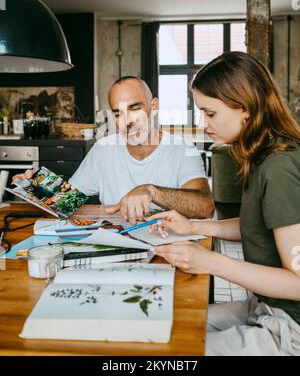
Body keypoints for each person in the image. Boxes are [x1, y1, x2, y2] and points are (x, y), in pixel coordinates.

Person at [146, 52, 300, 356]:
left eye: (210, 113)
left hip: (291, 328)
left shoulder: (279, 166)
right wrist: (194, 226)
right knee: (169, 324)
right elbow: (255, 225)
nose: (204, 124)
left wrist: (211, 262)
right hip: (266, 306)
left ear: (244, 107)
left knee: (172, 351)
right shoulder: (261, 154)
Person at [13, 76, 214, 223]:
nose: (127, 122)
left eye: (135, 109)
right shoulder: (103, 150)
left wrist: (151, 192)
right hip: (116, 247)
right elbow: (67, 203)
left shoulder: (182, 149)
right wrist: (36, 189)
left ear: (154, 107)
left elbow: (205, 207)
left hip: (169, 250)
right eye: (118, 114)